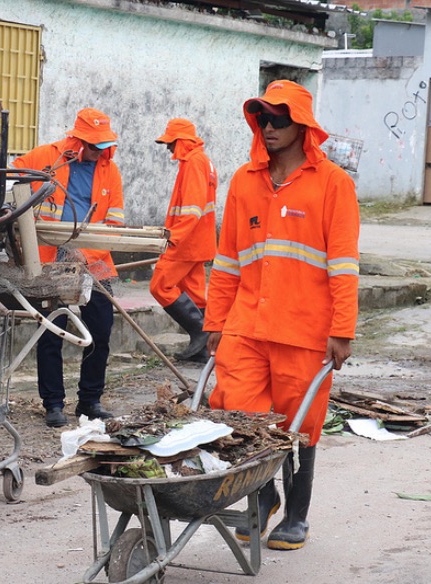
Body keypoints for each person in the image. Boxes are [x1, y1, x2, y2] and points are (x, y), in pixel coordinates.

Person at [204, 80, 360, 550]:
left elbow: (345, 266)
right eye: (262, 118)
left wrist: (342, 330)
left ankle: (296, 515)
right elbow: (227, 259)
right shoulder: (244, 181)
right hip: (246, 325)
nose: (268, 127)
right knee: (238, 415)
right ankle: (263, 496)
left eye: (279, 118)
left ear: (303, 126)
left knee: (300, 425)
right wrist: (214, 321)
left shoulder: (333, 184)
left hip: (304, 330)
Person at [12, 108, 125, 428]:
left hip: (95, 262)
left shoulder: (110, 172)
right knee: (50, 332)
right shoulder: (49, 157)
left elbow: (115, 226)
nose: (98, 152)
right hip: (49, 260)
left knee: (100, 330)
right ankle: (53, 404)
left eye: (103, 146)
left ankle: (90, 401)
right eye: (93, 146)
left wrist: (85, 254)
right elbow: (13, 171)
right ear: (77, 140)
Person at [150, 118, 218, 362]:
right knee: (195, 294)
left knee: (160, 286)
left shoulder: (193, 163)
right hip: (198, 242)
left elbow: (192, 209)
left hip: (186, 243)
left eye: (171, 143)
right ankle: (203, 349)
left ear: (181, 141)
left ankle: (200, 332)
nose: (168, 148)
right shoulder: (203, 162)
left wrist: (173, 238)